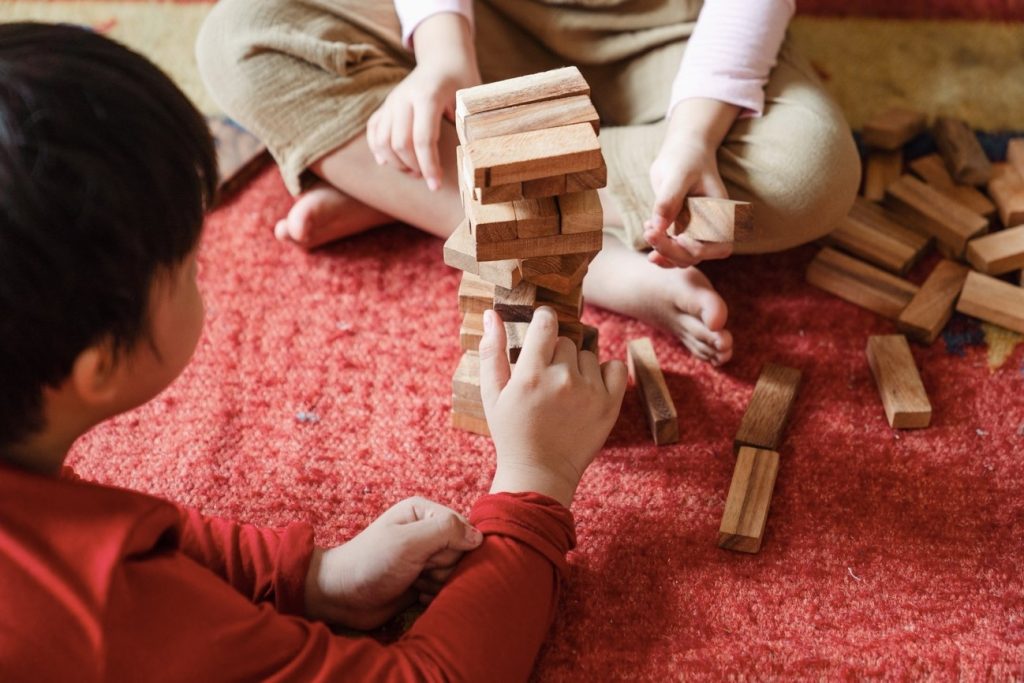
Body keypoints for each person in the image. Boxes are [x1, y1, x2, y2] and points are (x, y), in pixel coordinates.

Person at [0, 23, 626, 681]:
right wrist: (536, 482)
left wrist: (308, 576)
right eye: (189, 264)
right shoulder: (109, 612)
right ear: (98, 365)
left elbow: (107, 525)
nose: (207, 270)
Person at [196, 0, 860, 367]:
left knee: (806, 174)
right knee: (241, 35)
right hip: (480, 23)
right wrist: (444, 53)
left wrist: (694, 137)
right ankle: (591, 261)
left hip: (675, 33)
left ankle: (405, 181)